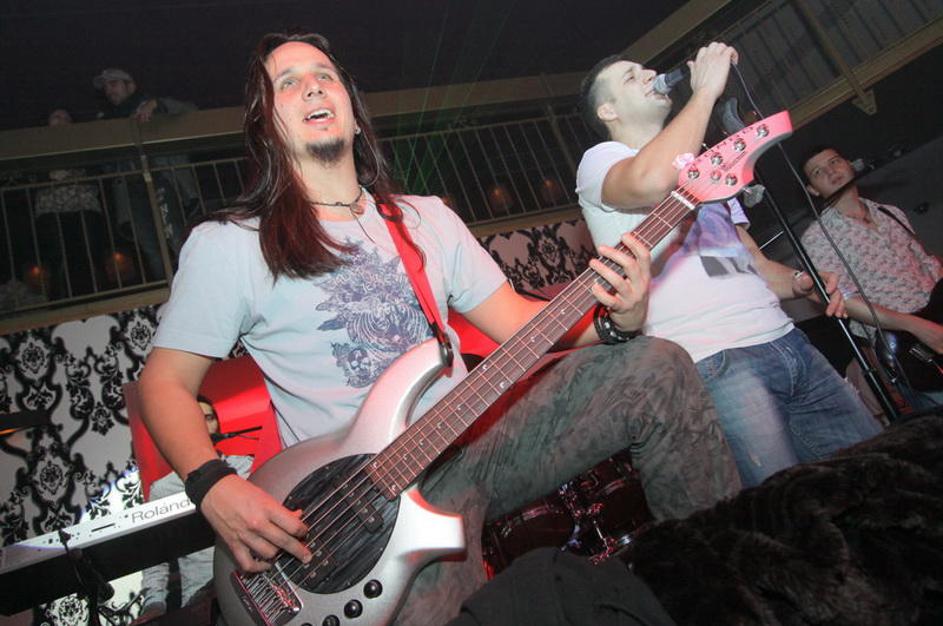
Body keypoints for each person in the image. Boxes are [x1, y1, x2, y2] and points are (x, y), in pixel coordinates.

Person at [137, 31, 741, 625]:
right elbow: (164, 384)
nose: (313, 88)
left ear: (352, 108)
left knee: (654, 367)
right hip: (365, 511)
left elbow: (520, 324)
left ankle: (724, 595)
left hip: (479, 439)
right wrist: (214, 487)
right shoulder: (231, 245)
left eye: (325, 76)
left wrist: (616, 322)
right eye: (288, 83)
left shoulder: (426, 218)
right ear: (266, 125)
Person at [576, 43, 882, 488]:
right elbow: (651, 181)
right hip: (715, 360)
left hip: (786, 340)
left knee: (874, 475)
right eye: (630, 77)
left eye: (644, 68)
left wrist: (801, 282)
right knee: (784, 502)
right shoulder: (602, 161)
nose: (647, 75)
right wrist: (704, 93)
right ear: (608, 110)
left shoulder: (704, 165)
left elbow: (749, 261)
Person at [800, 145, 943, 410]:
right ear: (813, 190)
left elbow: (926, 263)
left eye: (835, 161)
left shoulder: (889, 212)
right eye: (819, 172)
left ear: (849, 164)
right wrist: (916, 326)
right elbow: (845, 301)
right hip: (907, 344)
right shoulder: (817, 238)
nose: (831, 171)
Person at [133, 396, 253, 624]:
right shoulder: (163, 490)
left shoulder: (245, 467)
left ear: (217, 424)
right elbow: (156, 559)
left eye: (208, 417)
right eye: (193, 418)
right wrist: (154, 604)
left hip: (253, 586)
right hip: (202, 602)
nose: (202, 425)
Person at [93, 68, 200, 280]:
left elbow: (192, 111)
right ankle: (168, 289)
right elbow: (104, 164)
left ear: (130, 86)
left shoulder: (152, 106)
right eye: (105, 87)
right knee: (149, 246)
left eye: (114, 84)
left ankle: (197, 282)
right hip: (131, 189)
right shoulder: (107, 120)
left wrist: (157, 104)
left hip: (162, 179)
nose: (109, 90)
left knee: (175, 235)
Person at [33, 108, 107, 299]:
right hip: (51, 207)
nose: (62, 120)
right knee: (57, 257)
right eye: (56, 117)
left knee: (90, 253)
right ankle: (60, 302)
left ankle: (99, 298)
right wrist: (48, 174)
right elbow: (29, 170)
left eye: (66, 117)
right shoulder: (37, 144)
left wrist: (74, 171)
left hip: (83, 203)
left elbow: (97, 165)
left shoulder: (82, 141)